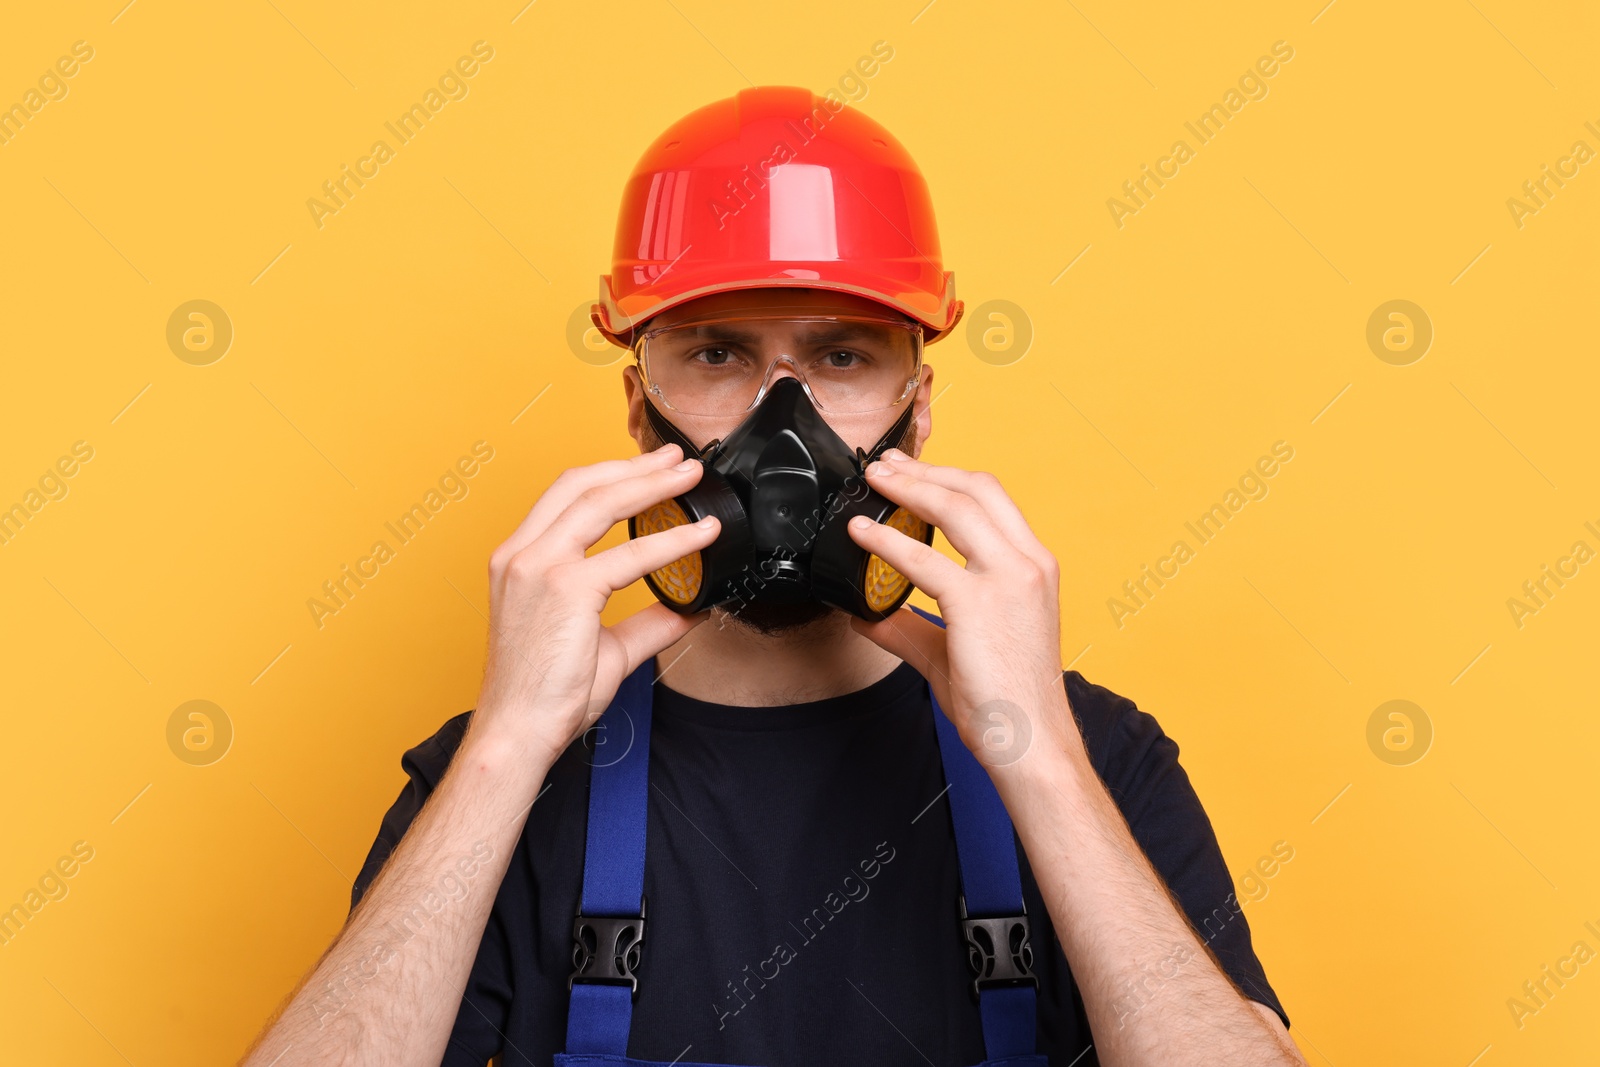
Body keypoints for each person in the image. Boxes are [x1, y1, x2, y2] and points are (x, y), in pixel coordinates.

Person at [241, 86, 1305, 1067]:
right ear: (637, 403)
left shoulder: (1095, 758)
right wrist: (509, 745)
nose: (780, 427)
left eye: (842, 356)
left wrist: (1037, 760)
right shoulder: (501, 777)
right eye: (715, 355)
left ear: (919, 406)